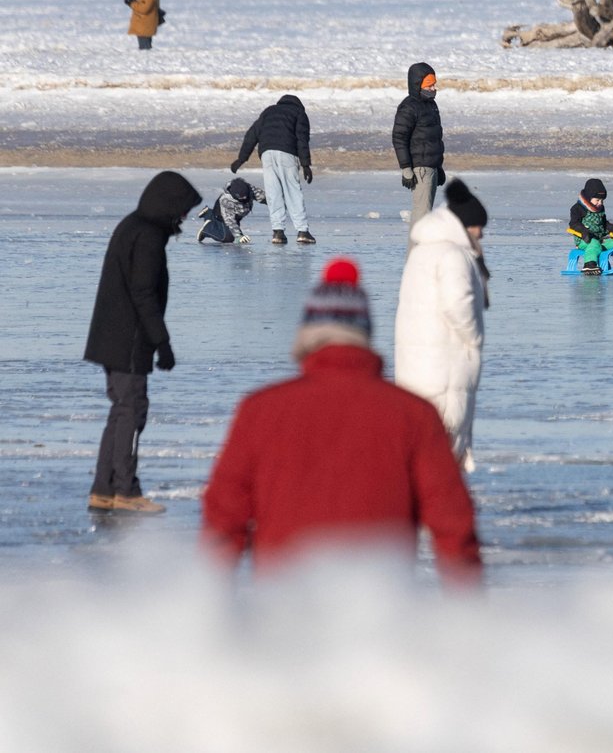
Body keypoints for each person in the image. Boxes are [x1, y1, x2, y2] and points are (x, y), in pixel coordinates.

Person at [201, 258, 482, 586]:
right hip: (377, 608)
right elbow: (453, 523)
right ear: (364, 335)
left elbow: (223, 518)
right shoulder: (414, 414)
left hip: (282, 607)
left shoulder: (260, 410)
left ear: (307, 335)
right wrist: (467, 612)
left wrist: (208, 609)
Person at [84, 170, 202, 513]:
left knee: (121, 411)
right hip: (129, 339)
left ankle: (103, 489)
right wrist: (161, 342)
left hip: (114, 337)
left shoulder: (134, 226)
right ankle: (127, 492)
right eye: (182, 211)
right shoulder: (148, 236)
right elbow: (143, 294)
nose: (183, 218)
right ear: (168, 206)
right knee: (132, 411)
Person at [395, 179, 488, 472]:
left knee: (422, 444)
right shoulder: (452, 255)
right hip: (444, 370)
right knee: (442, 449)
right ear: (464, 226)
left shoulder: (423, 251)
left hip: (419, 366)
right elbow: (457, 303)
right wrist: (473, 339)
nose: (481, 234)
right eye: (477, 227)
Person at [231, 93, 315, 245]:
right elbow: (302, 139)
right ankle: (303, 231)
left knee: (273, 192)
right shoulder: (299, 113)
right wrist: (306, 165)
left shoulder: (268, 111)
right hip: (287, 153)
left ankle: (278, 232)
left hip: (267, 154)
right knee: (292, 191)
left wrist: (242, 158)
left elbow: (252, 134)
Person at [393, 62, 445, 230]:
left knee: (426, 214)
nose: (434, 88)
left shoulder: (431, 105)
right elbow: (399, 137)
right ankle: (418, 253)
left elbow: (433, 139)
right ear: (418, 85)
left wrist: (438, 166)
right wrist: (406, 168)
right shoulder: (409, 107)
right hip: (420, 170)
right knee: (422, 216)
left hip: (431, 167)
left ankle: (423, 252)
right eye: (429, 85)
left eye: (434, 84)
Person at [568, 178, 613, 274]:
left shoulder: (599, 208)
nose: (600, 203)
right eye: (597, 200)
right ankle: (589, 265)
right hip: (584, 240)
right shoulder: (577, 208)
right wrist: (584, 231)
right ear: (589, 197)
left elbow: (603, 223)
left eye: (602, 200)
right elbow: (573, 224)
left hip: (599, 239)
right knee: (594, 244)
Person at [196, 177, 268, 244]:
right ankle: (207, 228)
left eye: (246, 196)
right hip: (222, 216)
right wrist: (238, 236)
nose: (245, 199)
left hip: (237, 215)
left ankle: (208, 213)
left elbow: (264, 197)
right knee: (227, 238)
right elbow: (230, 221)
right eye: (241, 198)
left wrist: (275, 204)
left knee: (236, 236)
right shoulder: (226, 200)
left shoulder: (249, 189)